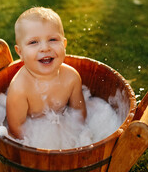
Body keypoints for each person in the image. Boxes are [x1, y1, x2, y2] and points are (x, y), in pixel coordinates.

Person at [6, 7, 87, 139]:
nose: (45, 48)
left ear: (64, 44)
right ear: (20, 52)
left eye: (53, 40)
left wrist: (76, 137)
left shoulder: (71, 77)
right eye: (33, 42)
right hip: (34, 143)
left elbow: (78, 112)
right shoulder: (20, 88)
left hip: (64, 132)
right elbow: (17, 129)